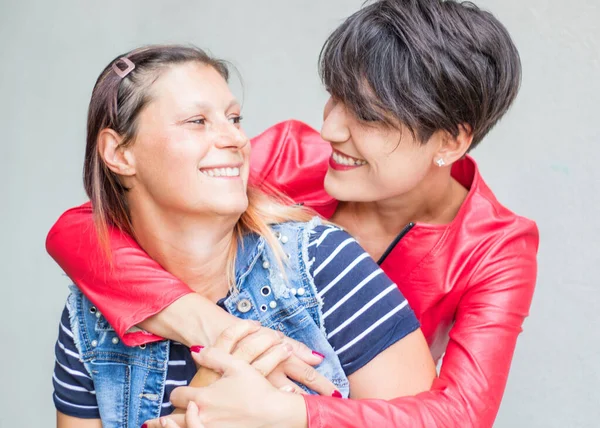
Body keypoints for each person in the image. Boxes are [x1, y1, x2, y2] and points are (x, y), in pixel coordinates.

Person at [47, 0, 539, 426]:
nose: (330, 129)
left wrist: (292, 416)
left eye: (366, 116)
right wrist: (207, 323)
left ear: (451, 140)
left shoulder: (497, 249)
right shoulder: (288, 156)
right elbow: (88, 227)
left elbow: (460, 416)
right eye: (336, 98)